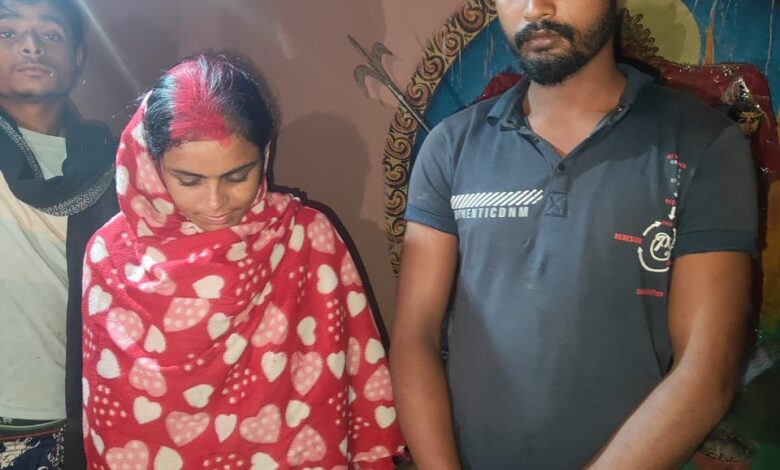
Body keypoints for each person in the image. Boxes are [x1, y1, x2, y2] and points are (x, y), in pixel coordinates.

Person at [390, 0, 758, 468]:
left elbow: (707, 368)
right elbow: (415, 335)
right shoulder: (450, 146)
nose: (535, 8)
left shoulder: (703, 144)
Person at [81, 54, 404, 469]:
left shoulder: (306, 236)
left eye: (237, 176)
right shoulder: (110, 254)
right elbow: (112, 414)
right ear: (152, 164)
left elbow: (356, 371)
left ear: (265, 155)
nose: (216, 202)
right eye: (189, 180)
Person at [0, 0, 117, 467]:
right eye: (8, 33)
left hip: (78, 414)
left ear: (78, 55)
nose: (31, 46)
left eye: (50, 34)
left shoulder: (115, 166)